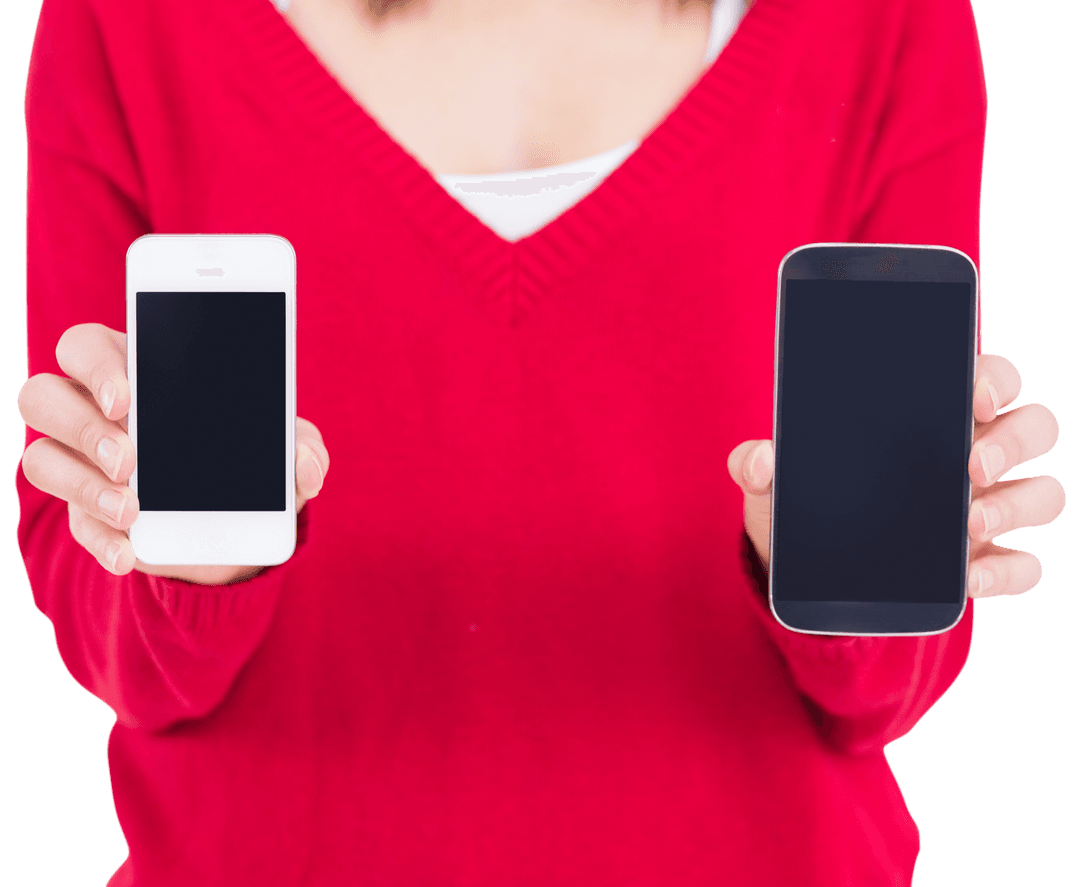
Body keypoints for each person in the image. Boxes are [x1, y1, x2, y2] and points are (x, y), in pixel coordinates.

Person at [15, 0, 1066, 884]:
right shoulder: (127, 22)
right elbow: (121, 652)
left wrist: (832, 567)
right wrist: (192, 560)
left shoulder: (883, 22)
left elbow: (879, 691)